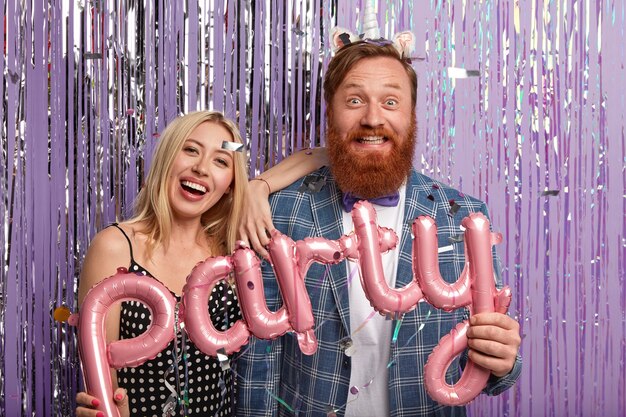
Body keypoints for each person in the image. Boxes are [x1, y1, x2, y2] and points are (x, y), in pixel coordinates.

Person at [235, 39, 522, 417]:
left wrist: (504, 360)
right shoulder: (282, 211)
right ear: (330, 114)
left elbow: (492, 362)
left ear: (411, 116)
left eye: (390, 102)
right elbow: (259, 358)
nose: (372, 118)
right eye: (354, 101)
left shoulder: (463, 217)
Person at [75, 110, 327, 417]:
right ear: (168, 158)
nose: (201, 168)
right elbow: (103, 377)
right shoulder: (114, 248)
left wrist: (257, 187)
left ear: (230, 184)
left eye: (221, 161)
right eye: (191, 150)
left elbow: (318, 156)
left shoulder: (231, 252)